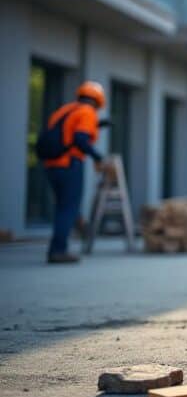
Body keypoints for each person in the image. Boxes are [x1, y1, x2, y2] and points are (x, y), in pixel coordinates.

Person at [39, 81, 109, 264]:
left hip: (51, 165)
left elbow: (68, 132)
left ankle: (76, 223)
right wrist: (98, 157)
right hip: (69, 164)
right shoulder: (87, 112)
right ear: (99, 100)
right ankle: (58, 250)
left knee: (63, 206)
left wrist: (98, 125)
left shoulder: (66, 110)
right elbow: (79, 139)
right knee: (67, 208)